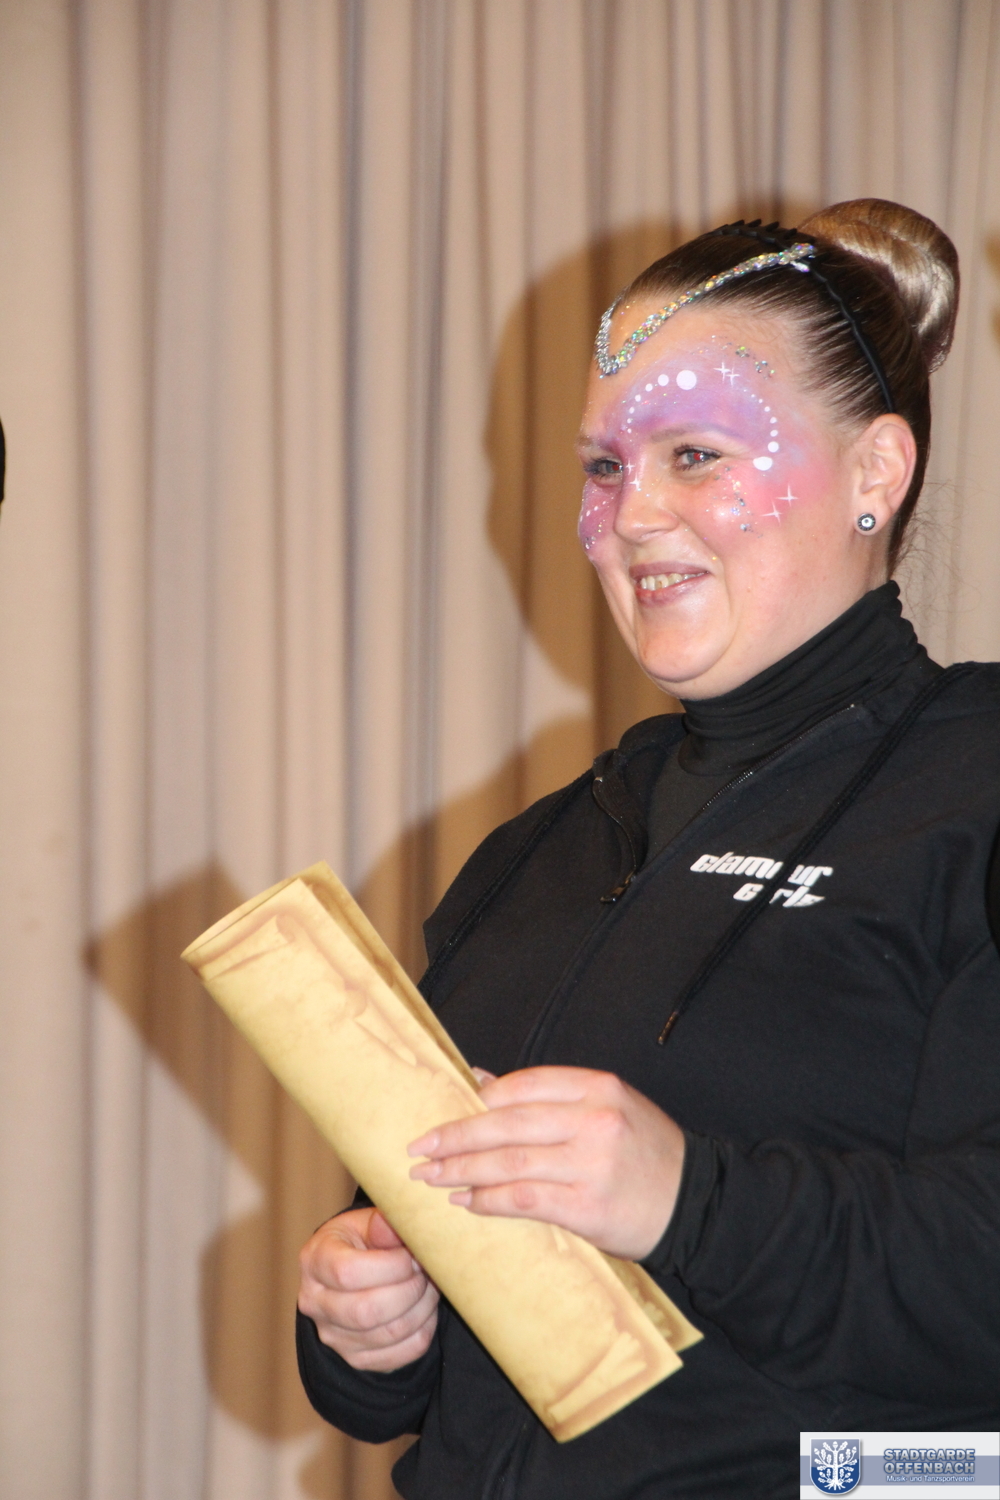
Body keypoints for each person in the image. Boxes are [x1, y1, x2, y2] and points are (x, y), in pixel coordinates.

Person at [295, 200, 1000, 1497]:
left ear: (876, 473)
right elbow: (403, 1299)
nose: (630, 516)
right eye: (605, 467)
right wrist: (367, 1323)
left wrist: (690, 1200)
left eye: (694, 454)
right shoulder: (540, 848)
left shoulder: (975, 789)